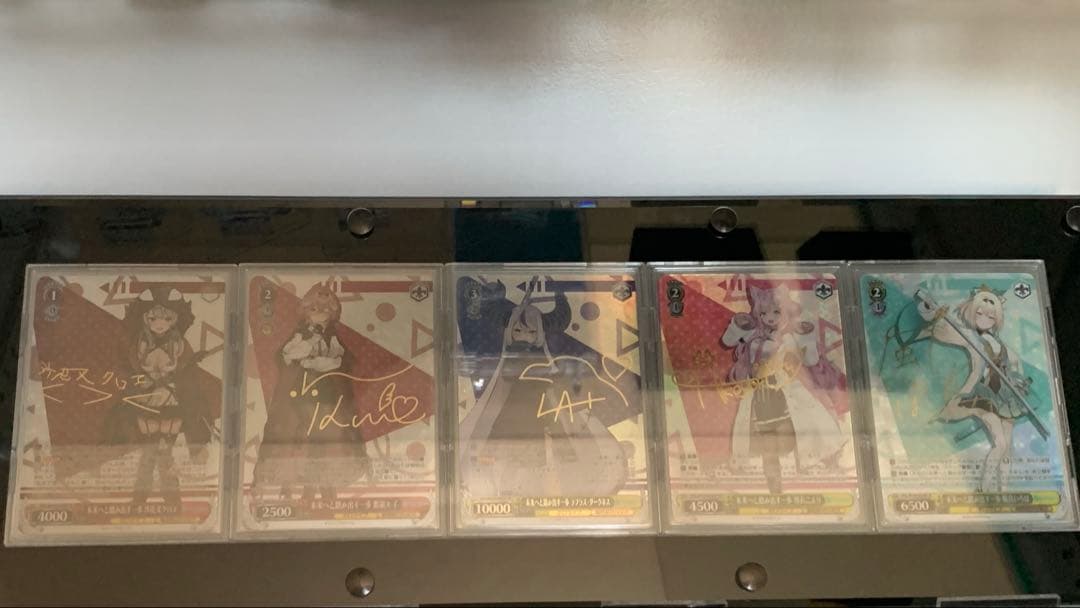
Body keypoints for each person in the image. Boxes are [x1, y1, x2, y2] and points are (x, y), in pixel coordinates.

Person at [459, 281, 629, 498]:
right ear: (510, 331)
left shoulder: (541, 358)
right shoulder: (510, 357)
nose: (524, 335)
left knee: (542, 457)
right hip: (512, 413)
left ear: (538, 333)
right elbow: (503, 380)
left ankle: (541, 491)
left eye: (530, 331)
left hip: (541, 411)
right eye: (518, 330)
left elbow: (560, 322)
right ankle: (507, 490)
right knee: (512, 455)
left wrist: (559, 294)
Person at [720, 284, 845, 494]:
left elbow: (811, 359)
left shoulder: (791, 336)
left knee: (801, 439)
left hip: (786, 395)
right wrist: (739, 325)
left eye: (776, 312)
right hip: (760, 398)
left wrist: (806, 337)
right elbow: (727, 341)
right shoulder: (752, 336)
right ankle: (774, 489)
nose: (769, 318)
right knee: (769, 450)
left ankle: (808, 481)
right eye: (764, 313)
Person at [254, 284, 368, 502]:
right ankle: (290, 487)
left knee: (326, 438)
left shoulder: (332, 337)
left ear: (332, 314)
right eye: (315, 309)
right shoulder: (301, 335)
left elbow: (342, 359)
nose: (320, 313)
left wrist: (329, 362)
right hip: (301, 391)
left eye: (325, 309)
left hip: (326, 393)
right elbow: (287, 356)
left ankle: (325, 487)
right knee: (296, 437)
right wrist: (309, 350)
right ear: (306, 312)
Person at [916, 285, 1030, 493]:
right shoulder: (969, 336)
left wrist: (1018, 382)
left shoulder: (1001, 345)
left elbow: (1015, 366)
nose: (985, 318)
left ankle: (1004, 491)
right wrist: (932, 312)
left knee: (1007, 447)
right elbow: (942, 332)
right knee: (1000, 444)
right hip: (984, 395)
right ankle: (984, 489)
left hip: (1006, 397)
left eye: (991, 315)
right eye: (980, 312)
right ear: (971, 310)